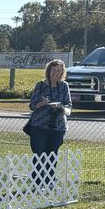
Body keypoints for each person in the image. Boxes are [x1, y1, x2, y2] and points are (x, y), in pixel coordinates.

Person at [27, 59, 72, 188]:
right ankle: (37, 183)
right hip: (39, 126)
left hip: (58, 126)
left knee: (52, 154)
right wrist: (42, 103)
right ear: (49, 70)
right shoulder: (40, 85)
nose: (55, 73)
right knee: (39, 154)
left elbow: (69, 105)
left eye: (58, 71)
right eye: (53, 70)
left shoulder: (64, 86)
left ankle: (50, 182)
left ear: (62, 72)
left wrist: (62, 108)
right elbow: (32, 105)